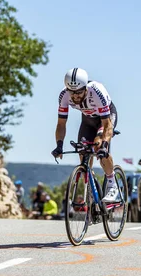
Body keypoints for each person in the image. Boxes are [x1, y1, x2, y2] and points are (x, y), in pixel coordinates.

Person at [50, 68, 120, 203]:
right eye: (72, 93)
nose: (75, 96)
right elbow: (61, 124)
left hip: (105, 118)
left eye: (78, 93)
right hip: (87, 120)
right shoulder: (63, 95)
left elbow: (107, 125)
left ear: (85, 88)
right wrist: (59, 145)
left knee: (98, 145)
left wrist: (104, 145)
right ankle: (92, 189)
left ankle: (112, 184)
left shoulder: (97, 92)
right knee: (82, 151)